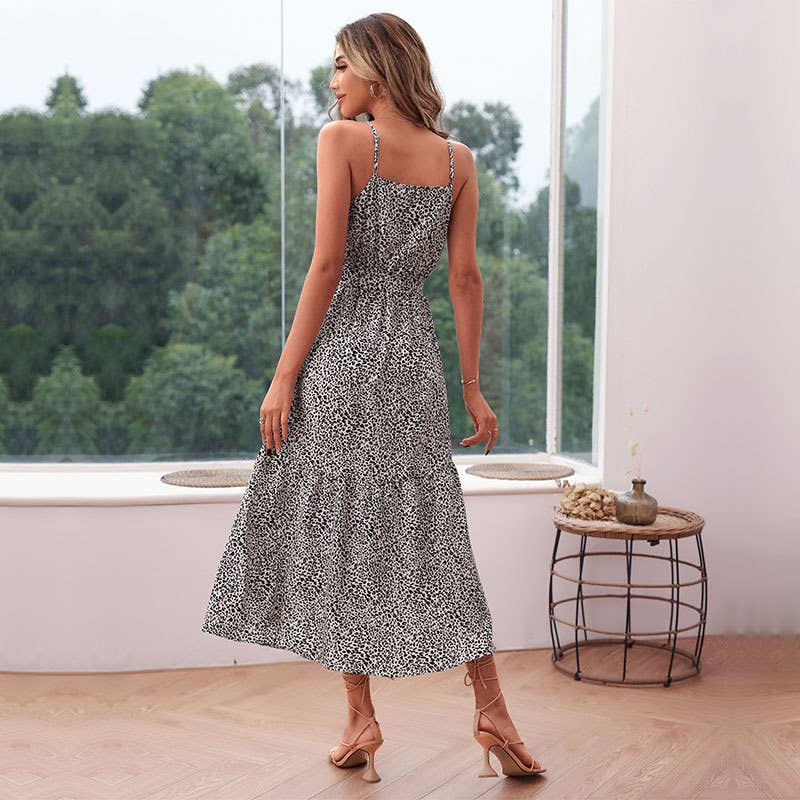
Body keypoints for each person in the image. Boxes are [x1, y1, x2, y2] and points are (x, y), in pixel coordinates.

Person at [201, 11, 545, 782]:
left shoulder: (344, 142)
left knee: (342, 532)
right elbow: (465, 280)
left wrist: (283, 376)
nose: (332, 83)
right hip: (415, 366)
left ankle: (361, 716)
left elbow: (327, 267)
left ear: (376, 69)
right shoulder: (459, 161)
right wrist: (474, 391)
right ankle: (491, 708)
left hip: (344, 362)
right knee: (437, 532)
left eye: (339, 66)